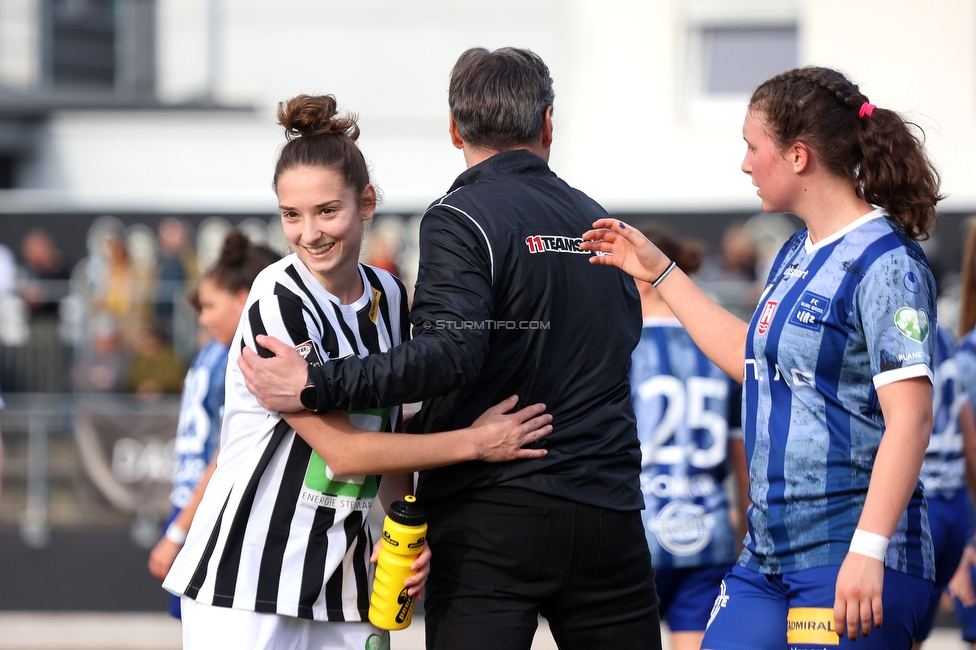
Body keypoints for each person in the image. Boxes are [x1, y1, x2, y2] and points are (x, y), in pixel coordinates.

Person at [237, 48, 661, 650]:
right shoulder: (598, 221)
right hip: (610, 516)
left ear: (456, 130)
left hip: (494, 515)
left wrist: (318, 384)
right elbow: (620, 343)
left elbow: (449, 355)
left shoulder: (460, 217)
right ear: (547, 124)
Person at [161, 93, 552, 650]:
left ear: (366, 203)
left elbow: (386, 437)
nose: (309, 233)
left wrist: (404, 532)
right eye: (291, 215)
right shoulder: (276, 295)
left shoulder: (391, 295)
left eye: (327, 211)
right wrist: (476, 442)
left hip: (345, 584)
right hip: (245, 582)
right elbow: (343, 451)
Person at [582, 65, 941, 649]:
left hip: (848, 552)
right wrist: (661, 273)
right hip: (766, 555)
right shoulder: (797, 248)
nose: (745, 163)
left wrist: (868, 551)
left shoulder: (887, 262)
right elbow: (750, 360)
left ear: (798, 156)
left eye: (753, 147)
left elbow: (912, 418)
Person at [148, 229, 279, 619]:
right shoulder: (214, 349)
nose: (202, 318)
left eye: (208, 306)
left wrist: (178, 531)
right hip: (191, 502)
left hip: (212, 510)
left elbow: (228, 449)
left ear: (243, 300)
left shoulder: (245, 360)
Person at [631, 224, 749, 650]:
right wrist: (744, 528)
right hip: (708, 530)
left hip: (634, 533)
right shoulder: (722, 344)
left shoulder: (619, 348)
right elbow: (743, 455)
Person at [912, 323, 976, 649]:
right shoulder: (944, 334)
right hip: (954, 504)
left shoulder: (880, 321)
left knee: (898, 634)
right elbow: (969, 435)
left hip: (920, 502)